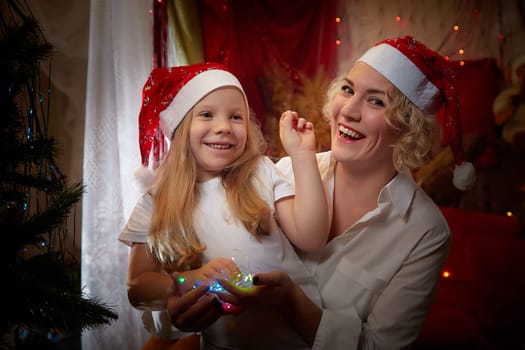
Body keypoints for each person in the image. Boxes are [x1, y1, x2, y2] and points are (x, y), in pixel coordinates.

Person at [165, 36, 477, 349]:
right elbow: (189, 263)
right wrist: (176, 313)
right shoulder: (283, 173)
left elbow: (378, 346)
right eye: (348, 89)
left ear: (409, 127)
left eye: (377, 101)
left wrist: (290, 300)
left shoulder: (425, 231)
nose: (349, 111)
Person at [118, 62, 330, 349]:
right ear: (181, 130)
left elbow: (312, 236)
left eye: (236, 117)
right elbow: (137, 287)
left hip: (298, 339)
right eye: (206, 114)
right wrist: (191, 279)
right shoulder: (156, 203)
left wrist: (303, 156)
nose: (223, 127)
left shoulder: (261, 172)